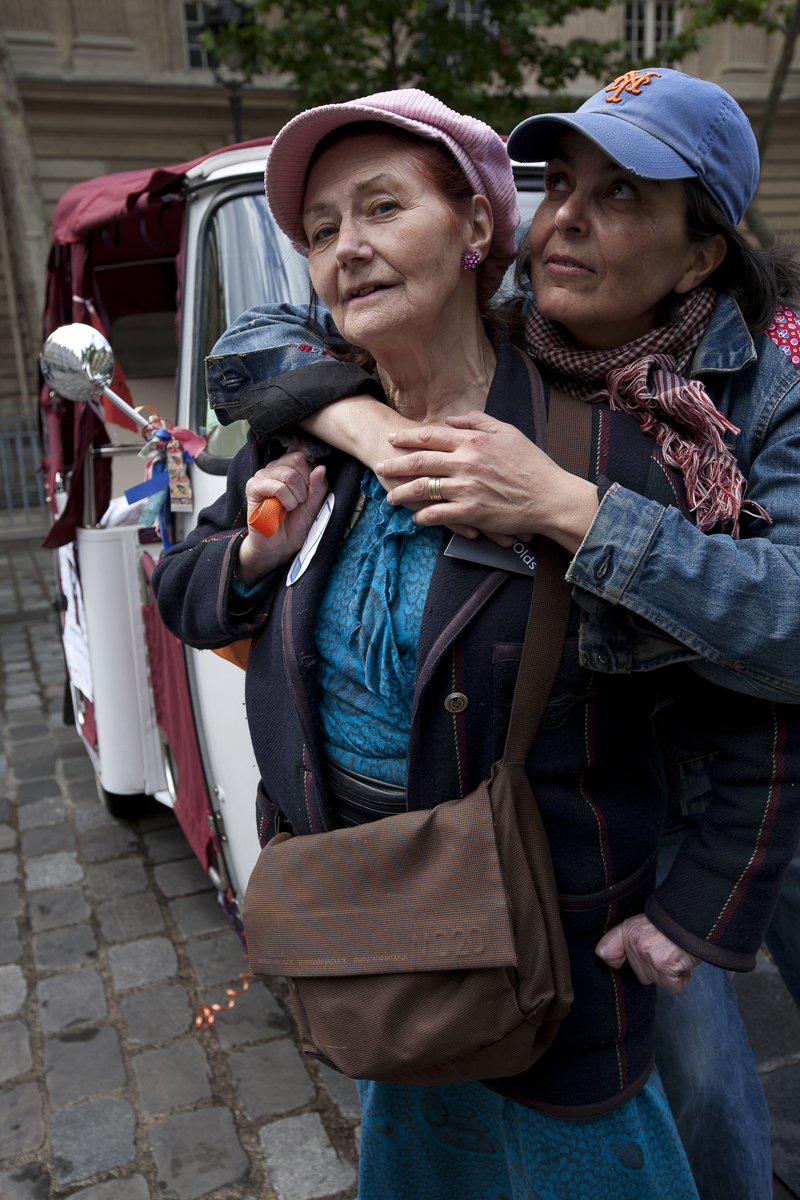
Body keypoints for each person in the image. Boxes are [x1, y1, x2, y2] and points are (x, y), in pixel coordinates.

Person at [153, 86, 800, 1199]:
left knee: (692, 1071)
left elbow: (775, 658)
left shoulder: (727, 413)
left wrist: (568, 509)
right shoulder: (420, 357)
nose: (565, 224)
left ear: (697, 258)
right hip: (400, 917)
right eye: (560, 190)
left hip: (647, 823)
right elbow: (256, 353)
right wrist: (359, 427)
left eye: (620, 198)